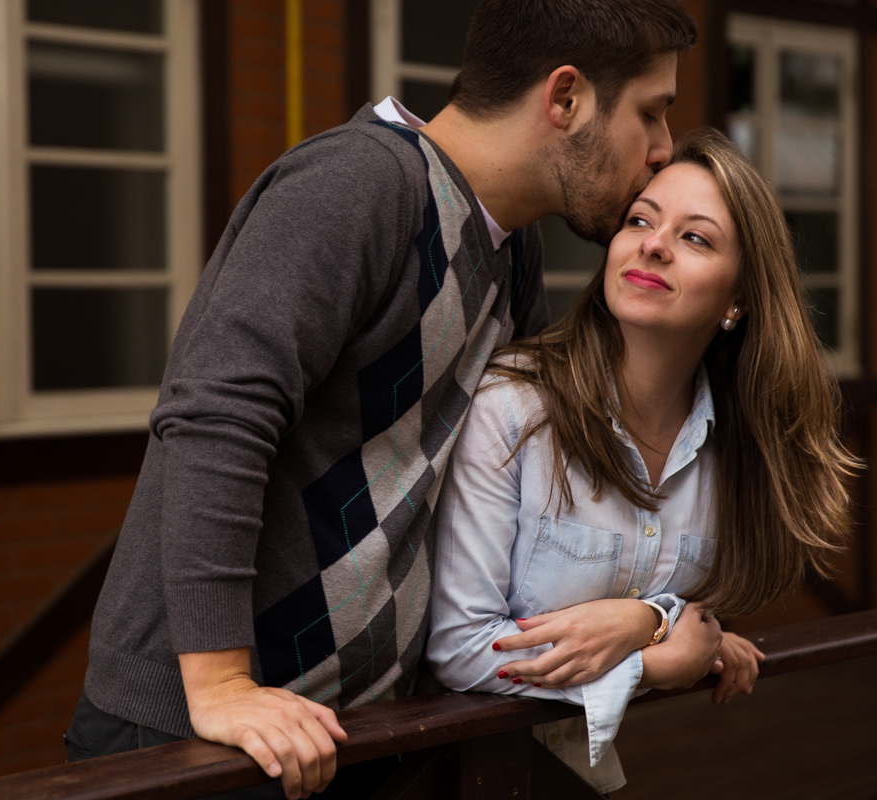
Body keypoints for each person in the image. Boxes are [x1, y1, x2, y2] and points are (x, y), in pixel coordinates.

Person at [71, 2, 697, 798]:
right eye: (651, 113)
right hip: (201, 732)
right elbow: (214, 422)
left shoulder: (512, 250)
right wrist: (222, 686)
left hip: (359, 731)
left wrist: (658, 622)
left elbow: (531, 500)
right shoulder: (359, 185)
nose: (662, 150)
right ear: (565, 98)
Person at [426, 127, 861, 794]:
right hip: (452, 774)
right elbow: (461, 650)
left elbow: (685, 606)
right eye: (640, 220)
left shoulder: (732, 442)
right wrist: (656, 657)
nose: (653, 244)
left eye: (695, 238)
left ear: (737, 300)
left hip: (572, 777)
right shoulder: (515, 406)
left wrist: (651, 620)